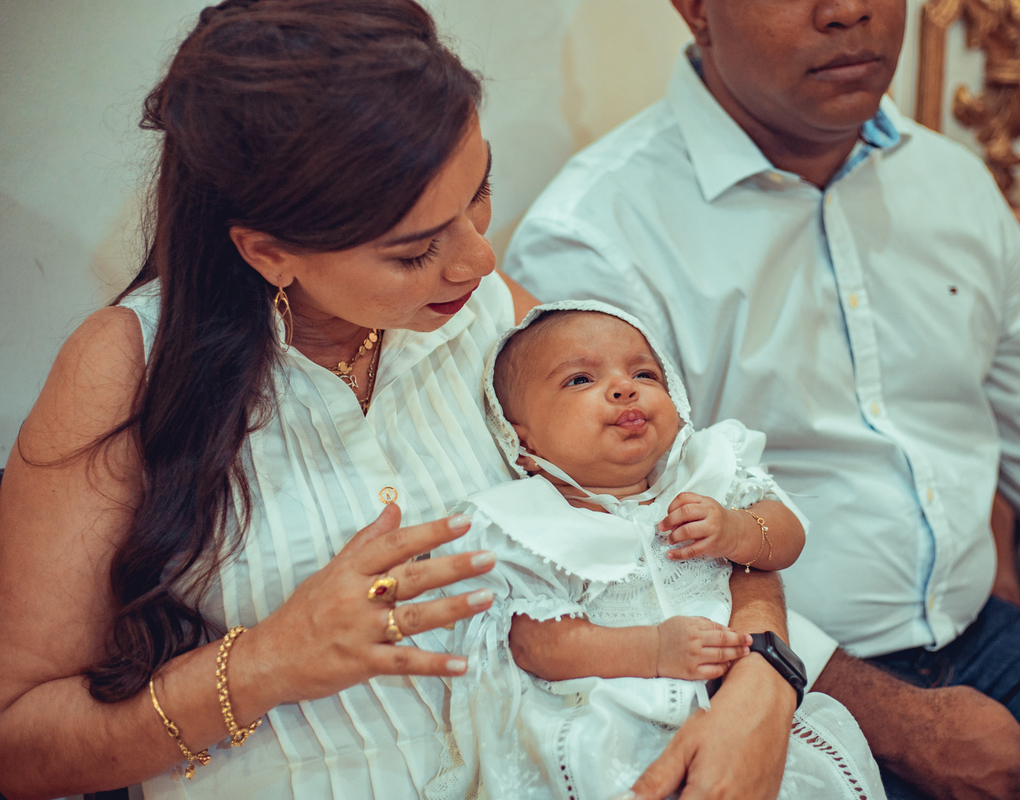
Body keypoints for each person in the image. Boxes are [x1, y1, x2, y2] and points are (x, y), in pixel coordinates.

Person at [0, 2, 798, 798]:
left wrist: (763, 680)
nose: (478, 258)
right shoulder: (127, 369)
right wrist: (266, 663)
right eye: (416, 251)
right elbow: (19, 742)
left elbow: (700, 498)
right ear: (269, 252)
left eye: (479, 194)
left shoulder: (497, 322)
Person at [502, 0, 1020, 798]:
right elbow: (630, 563)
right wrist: (903, 724)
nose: (850, 12)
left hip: (990, 641)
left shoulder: (954, 185)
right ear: (695, 9)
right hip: (755, 683)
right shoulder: (599, 232)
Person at [428, 302, 885, 799]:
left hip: (742, 712)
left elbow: (787, 536)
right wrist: (652, 650)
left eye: (644, 373)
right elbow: (534, 644)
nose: (625, 388)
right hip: (612, 730)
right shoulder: (529, 523)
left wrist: (737, 531)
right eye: (580, 380)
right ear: (521, 443)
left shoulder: (703, 473)